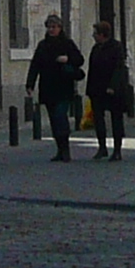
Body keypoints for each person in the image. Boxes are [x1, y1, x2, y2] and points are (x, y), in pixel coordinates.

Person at [27, 14, 85, 161]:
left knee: (61, 117)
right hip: (47, 87)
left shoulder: (67, 44)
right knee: (53, 119)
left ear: (60, 28)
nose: (51, 30)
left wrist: (68, 59)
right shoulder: (42, 45)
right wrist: (30, 84)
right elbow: (35, 65)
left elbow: (79, 59)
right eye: (49, 27)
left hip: (64, 87)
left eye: (54, 27)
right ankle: (60, 149)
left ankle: (65, 149)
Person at [85, 21, 133, 160]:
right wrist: (90, 90)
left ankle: (117, 150)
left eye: (95, 33)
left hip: (113, 90)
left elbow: (119, 68)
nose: (93, 36)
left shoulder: (116, 47)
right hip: (97, 89)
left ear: (102, 34)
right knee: (98, 119)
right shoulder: (96, 48)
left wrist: (113, 86)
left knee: (116, 119)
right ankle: (102, 147)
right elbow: (92, 70)